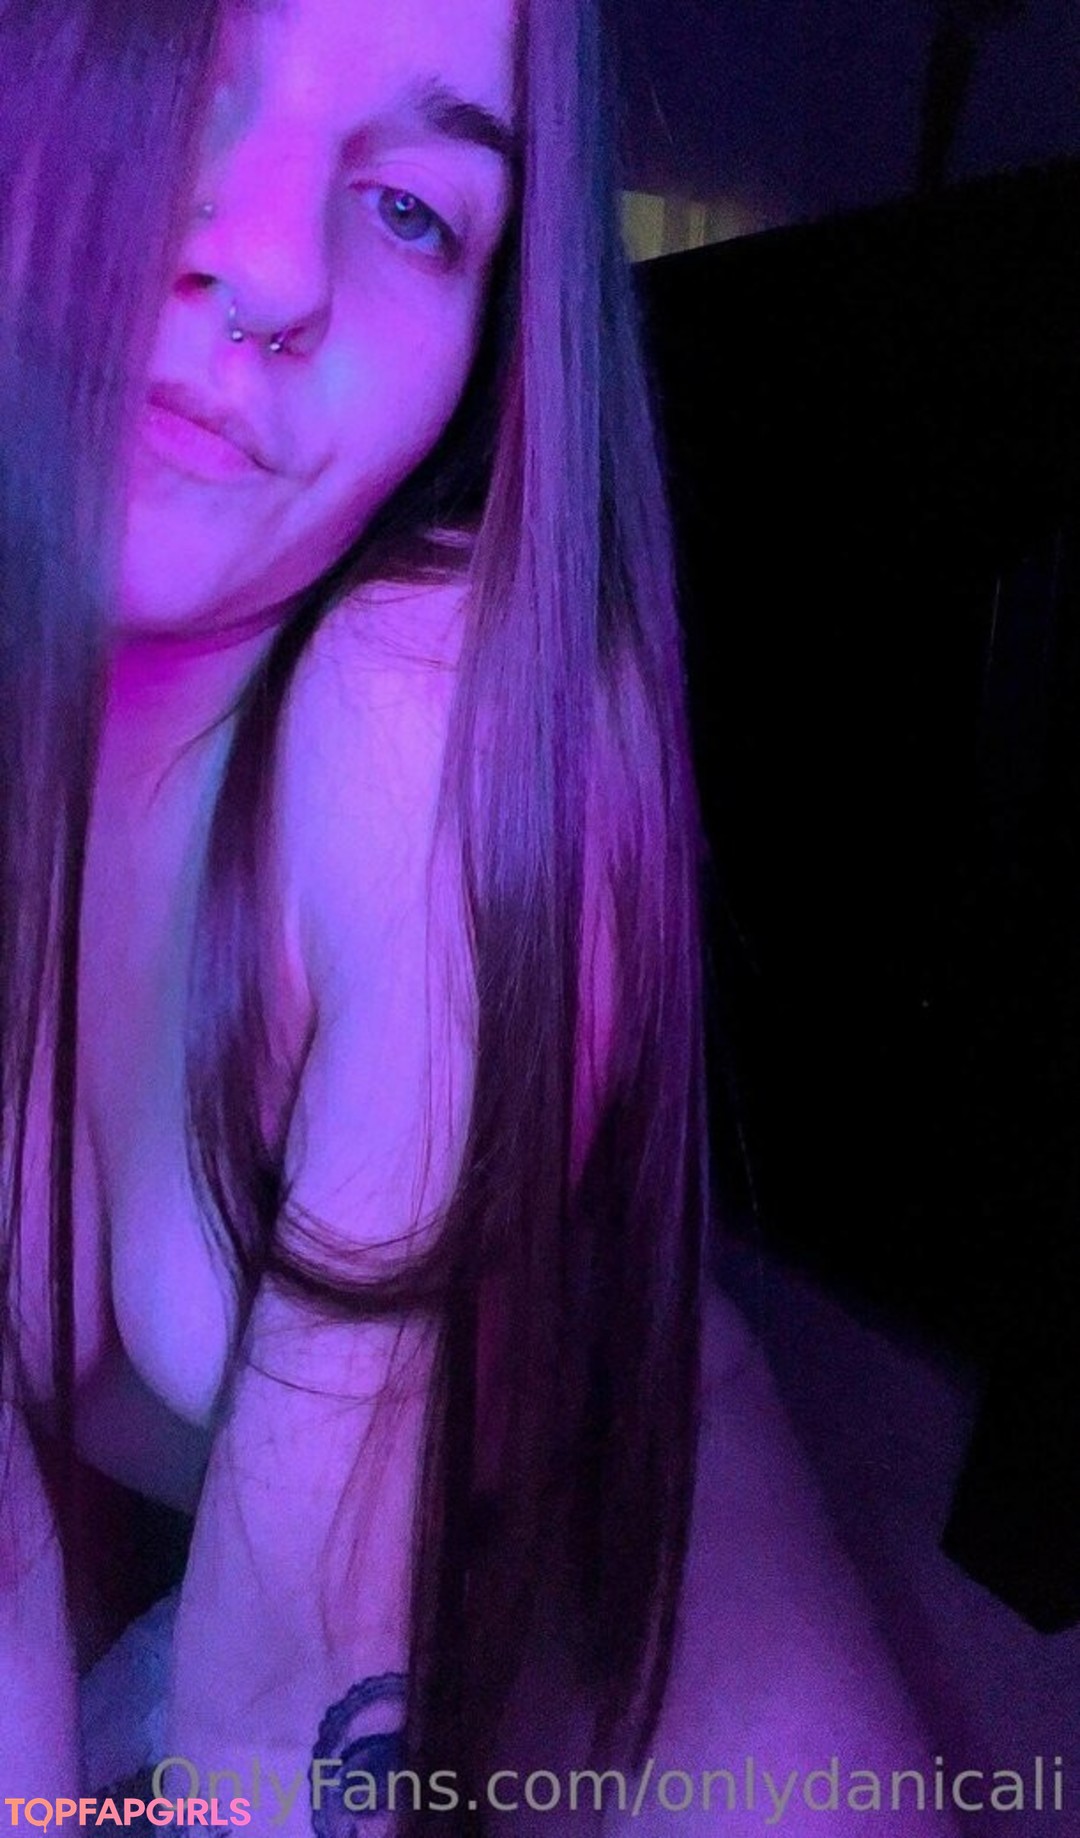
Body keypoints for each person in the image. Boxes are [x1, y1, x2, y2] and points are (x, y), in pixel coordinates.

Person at [0, 0, 956, 1833]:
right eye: (191, 75)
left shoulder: (424, 732)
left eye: (417, 210)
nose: (276, 267)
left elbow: (291, 1724)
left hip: (570, 1508)